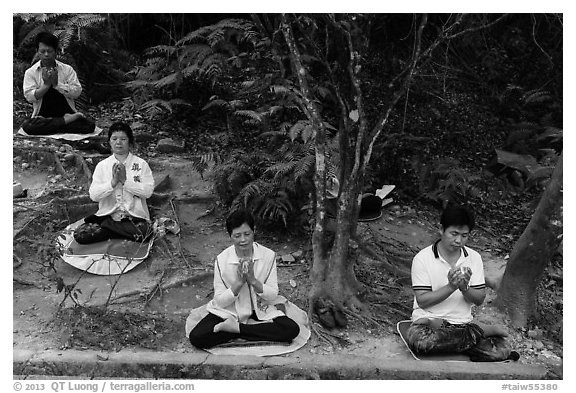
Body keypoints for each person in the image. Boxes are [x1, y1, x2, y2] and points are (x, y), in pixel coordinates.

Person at [406, 205, 517, 361]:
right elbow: (423, 301)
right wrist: (451, 287)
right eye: (454, 234)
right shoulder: (422, 258)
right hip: (429, 324)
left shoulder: (474, 258)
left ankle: (468, 334)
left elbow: (478, 300)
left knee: (501, 351)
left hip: (461, 324)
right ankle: (479, 332)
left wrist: (465, 288)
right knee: (421, 343)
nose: (458, 240)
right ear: (441, 230)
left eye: (464, 235)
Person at [188, 210, 300, 349]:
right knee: (197, 337)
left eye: (247, 234)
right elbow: (220, 301)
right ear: (230, 237)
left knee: (292, 329)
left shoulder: (268, 256)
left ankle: (236, 330)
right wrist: (239, 283)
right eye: (237, 235)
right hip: (232, 310)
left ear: (254, 232)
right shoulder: (222, 260)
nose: (243, 240)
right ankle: (248, 331)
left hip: (261, 307)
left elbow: (272, 294)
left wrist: (253, 281)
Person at [73, 122, 154, 244]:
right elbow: (94, 196)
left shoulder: (141, 164)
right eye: (114, 139)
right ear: (109, 142)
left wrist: (125, 181)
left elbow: (147, 193)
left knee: (145, 232)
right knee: (80, 235)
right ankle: (116, 230)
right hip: (109, 215)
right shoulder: (102, 166)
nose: (118, 142)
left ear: (130, 142)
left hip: (134, 219)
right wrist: (113, 182)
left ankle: (108, 228)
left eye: (123, 139)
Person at [21, 32, 95, 135]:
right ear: (37, 51)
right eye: (43, 51)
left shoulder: (67, 69)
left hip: (66, 112)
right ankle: (64, 122)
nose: (46, 54)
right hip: (42, 117)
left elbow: (77, 92)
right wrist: (46, 85)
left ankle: (56, 124)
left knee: (89, 126)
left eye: (49, 51)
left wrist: (57, 85)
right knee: (28, 126)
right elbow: (29, 97)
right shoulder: (31, 72)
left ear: (56, 51)